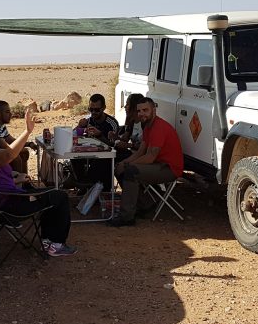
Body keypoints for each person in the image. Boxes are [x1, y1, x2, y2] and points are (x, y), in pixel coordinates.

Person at [0, 110, 75, 257]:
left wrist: (16, 177)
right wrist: (27, 131)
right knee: (60, 196)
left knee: (49, 194)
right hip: (12, 205)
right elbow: (10, 154)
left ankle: (47, 241)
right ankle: (56, 244)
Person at [108, 97, 183, 227]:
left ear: (154, 110)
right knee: (119, 167)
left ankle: (127, 217)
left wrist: (127, 165)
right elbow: (140, 152)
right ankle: (144, 205)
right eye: (139, 111)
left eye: (145, 110)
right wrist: (123, 163)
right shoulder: (148, 127)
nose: (141, 113)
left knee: (130, 171)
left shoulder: (159, 127)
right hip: (158, 165)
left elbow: (149, 157)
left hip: (169, 169)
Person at [71, 94, 119, 190]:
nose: (93, 112)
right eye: (91, 109)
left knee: (100, 161)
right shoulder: (89, 120)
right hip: (89, 153)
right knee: (74, 156)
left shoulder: (111, 123)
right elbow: (73, 136)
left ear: (104, 108)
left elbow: (113, 145)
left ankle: (88, 185)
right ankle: (83, 184)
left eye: (97, 110)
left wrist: (100, 135)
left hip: (105, 157)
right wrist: (79, 127)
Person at [0, 100, 31, 174]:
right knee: (16, 158)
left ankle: (25, 180)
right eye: (7, 112)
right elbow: (6, 147)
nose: (11, 114)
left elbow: (10, 139)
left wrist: (28, 144)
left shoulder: (1, 125)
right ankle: (19, 182)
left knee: (24, 152)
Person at [111, 93, 145, 163]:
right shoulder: (131, 121)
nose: (125, 107)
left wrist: (129, 145)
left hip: (140, 156)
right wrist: (115, 137)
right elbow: (125, 140)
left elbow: (146, 148)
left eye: (127, 104)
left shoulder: (144, 123)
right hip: (131, 153)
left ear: (134, 107)